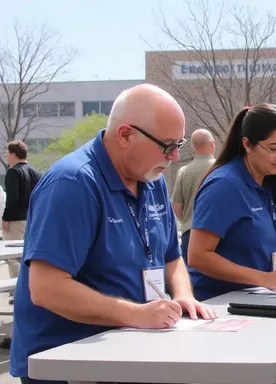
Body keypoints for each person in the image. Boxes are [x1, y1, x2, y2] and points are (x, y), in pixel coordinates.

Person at [9, 84, 216, 383]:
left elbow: (172, 258)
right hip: (68, 361)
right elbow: (46, 289)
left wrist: (184, 296)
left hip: (131, 349)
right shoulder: (73, 183)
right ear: (125, 135)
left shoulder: (152, 179)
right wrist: (136, 314)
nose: (173, 157)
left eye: (179, 145)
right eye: (167, 145)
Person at [188, 104, 276, 301]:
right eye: (274, 148)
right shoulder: (224, 185)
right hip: (219, 304)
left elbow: (274, 245)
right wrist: (266, 279)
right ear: (247, 144)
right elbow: (198, 256)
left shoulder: (268, 180)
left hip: (258, 299)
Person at [171, 129, 216, 263]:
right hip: (215, 233)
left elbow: (177, 207)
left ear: (193, 147)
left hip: (189, 232)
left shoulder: (183, 172)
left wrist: (187, 219)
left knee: (190, 278)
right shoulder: (221, 169)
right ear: (212, 143)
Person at [3, 140, 42, 279]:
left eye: (7, 153)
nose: (6, 156)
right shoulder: (36, 172)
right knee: (30, 256)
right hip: (34, 218)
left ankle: (17, 292)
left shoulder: (13, 172)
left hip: (16, 219)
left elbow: (12, 198)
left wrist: (5, 218)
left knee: (13, 257)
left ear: (13, 154)